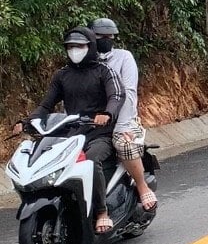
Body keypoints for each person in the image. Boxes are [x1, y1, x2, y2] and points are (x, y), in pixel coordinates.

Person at [13, 27, 125, 233]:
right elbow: (46, 105)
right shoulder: (62, 75)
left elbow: (117, 96)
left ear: (90, 47)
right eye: (70, 47)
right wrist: (27, 121)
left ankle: (101, 212)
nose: (75, 50)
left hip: (99, 134)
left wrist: (107, 114)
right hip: (72, 134)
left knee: (90, 161)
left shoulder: (104, 71)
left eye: (79, 46)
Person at [90, 17, 156, 212]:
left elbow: (128, 93)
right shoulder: (86, 61)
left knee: (123, 144)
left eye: (109, 36)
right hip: (92, 123)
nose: (105, 39)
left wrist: (121, 127)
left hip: (123, 120)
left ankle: (142, 186)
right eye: (100, 36)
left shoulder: (123, 57)